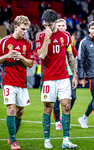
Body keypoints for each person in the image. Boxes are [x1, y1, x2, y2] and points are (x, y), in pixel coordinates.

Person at [35, 9, 77, 149]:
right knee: (48, 108)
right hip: (48, 78)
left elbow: (70, 56)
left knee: (66, 106)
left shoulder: (65, 36)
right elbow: (41, 55)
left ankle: (66, 139)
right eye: (45, 25)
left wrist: (75, 75)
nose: (48, 27)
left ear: (56, 22)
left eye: (50, 25)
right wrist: (47, 38)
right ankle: (47, 140)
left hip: (64, 77)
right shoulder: (40, 36)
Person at [0, 15, 33, 150]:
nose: (24, 32)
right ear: (15, 27)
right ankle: (13, 141)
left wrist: (21, 57)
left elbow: (30, 63)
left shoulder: (28, 44)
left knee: (20, 112)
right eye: (22, 29)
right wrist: (6, 56)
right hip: (8, 80)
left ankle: (10, 136)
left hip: (22, 82)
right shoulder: (4, 41)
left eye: (26, 29)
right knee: (12, 109)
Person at [53, 18, 78, 130]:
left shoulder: (68, 37)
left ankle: (64, 116)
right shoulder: (52, 37)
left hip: (68, 72)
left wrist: (72, 43)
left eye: (63, 25)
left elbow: (74, 55)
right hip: (55, 73)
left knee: (73, 97)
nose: (61, 27)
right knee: (56, 99)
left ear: (66, 27)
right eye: (59, 25)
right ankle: (57, 121)